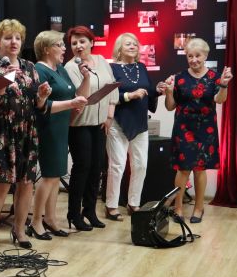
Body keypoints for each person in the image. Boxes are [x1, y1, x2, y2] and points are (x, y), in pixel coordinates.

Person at [0, 19, 51, 250]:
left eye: (18, 38)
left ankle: (19, 229)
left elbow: (38, 104)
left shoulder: (29, 67)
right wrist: (2, 82)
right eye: (8, 37)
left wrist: (42, 97)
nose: (14, 42)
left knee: (26, 183)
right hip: (2, 132)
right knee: (1, 184)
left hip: (28, 132)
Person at [160, 37, 233, 223]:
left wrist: (224, 85)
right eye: (190, 56)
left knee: (200, 169)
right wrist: (169, 92)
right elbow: (170, 106)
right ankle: (178, 208)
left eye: (197, 56)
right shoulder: (179, 78)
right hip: (183, 128)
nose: (193, 60)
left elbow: (220, 100)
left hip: (205, 130)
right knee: (183, 169)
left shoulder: (215, 77)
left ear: (205, 56)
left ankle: (199, 208)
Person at [28, 31, 87, 240]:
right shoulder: (39, 70)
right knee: (49, 176)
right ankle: (36, 221)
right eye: (60, 45)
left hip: (62, 126)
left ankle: (51, 219)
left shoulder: (60, 69)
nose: (64, 48)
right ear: (46, 49)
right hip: (48, 127)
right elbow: (41, 104)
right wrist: (71, 103)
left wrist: (78, 96)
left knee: (56, 176)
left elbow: (72, 93)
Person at [64, 26, 117, 230]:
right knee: (82, 167)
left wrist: (109, 116)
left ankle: (90, 211)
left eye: (82, 41)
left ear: (91, 43)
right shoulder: (70, 67)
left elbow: (112, 87)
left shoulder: (101, 60)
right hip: (80, 124)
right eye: (74, 43)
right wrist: (85, 76)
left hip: (100, 123)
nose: (78, 46)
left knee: (97, 168)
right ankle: (74, 213)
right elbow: (79, 96)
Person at [105, 33, 160, 220]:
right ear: (119, 48)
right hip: (118, 123)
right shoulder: (111, 68)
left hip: (140, 123)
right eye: (128, 44)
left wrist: (158, 90)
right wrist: (130, 96)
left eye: (135, 44)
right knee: (117, 166)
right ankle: (111, 206)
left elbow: (148, 92)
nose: (132, 46)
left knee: (140, 165)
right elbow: (108, 96)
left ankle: (133, 203)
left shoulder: (141, 67)